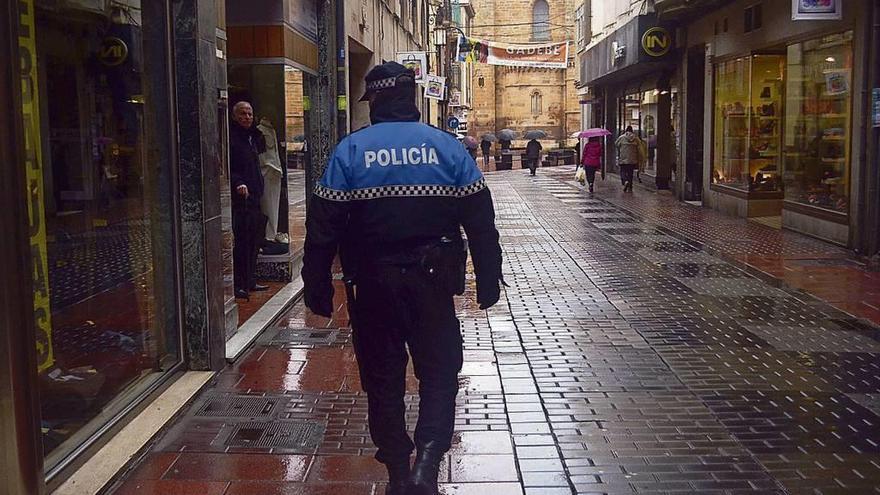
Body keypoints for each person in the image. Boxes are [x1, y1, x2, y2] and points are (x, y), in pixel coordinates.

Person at [301, 61, 503, 495]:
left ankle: (396, 470)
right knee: (440, 372)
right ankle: (426, 467)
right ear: (411, 97)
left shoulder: (351, 151)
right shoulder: (447, 149)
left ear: (375, 100)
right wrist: (489, 277)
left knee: (383, 378)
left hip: (372, 285)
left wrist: (315, 282)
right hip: (433, 284)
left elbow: (323, 225)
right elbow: (481, 221)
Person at [229, 101, 269, 299]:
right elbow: (229, 167)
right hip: (241, 199)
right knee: (243, 242)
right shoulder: (232, 138)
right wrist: (238, 182)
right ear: (235, 116)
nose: (247, 117)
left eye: (250, 114)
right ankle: (239, 283)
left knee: (254, 240)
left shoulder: (252, 137)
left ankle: (250, 280)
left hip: (254, 196)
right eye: (243, 114)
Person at [615, 125, 640, 192]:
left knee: (622, 171)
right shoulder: (636, 138)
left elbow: (616, 144)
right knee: (630, 173)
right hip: (633, 159)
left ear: (626, 131)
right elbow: (639, 146)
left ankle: (625, 181)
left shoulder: (621, 137)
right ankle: (630, 187)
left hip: (623, 158)